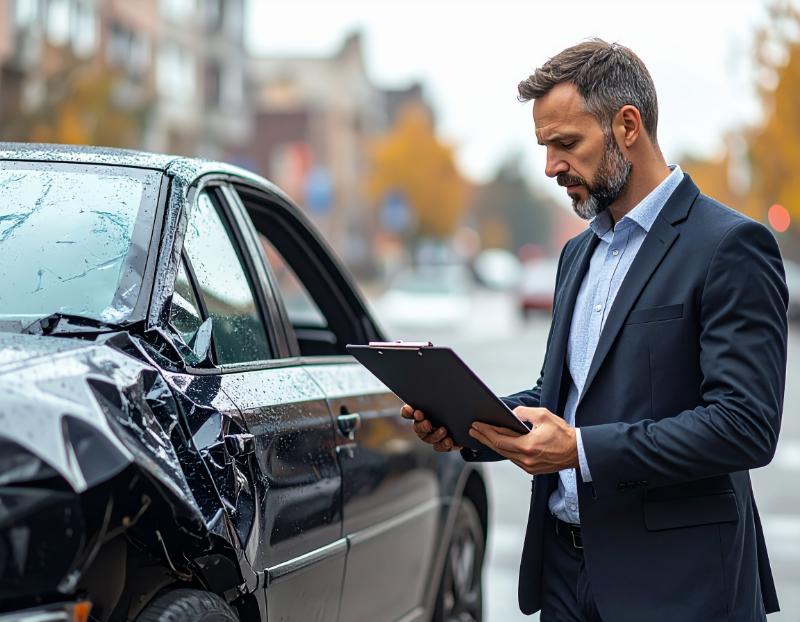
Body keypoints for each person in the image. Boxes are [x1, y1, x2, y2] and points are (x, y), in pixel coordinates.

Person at [401, 39, 788, 622]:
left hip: (677, 585)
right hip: (564, 575)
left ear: (627, 125)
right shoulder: (577, 254)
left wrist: (581, 450)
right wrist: (464, 422)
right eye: (545, 147)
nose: (551, 166)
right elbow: (564, 399)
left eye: (567, 143)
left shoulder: (729, 246)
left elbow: (744, 426)